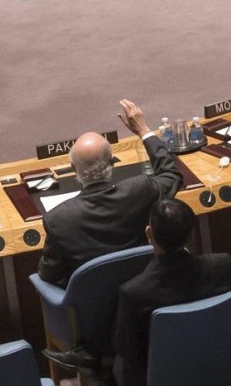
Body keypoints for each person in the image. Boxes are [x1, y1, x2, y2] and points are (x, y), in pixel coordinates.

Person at [37, 99, 183, 286]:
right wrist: (143, 130)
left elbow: (49, 273)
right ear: (112, 162)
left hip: (91, 302)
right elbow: (172, 175)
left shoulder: (58, 219)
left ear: (74, 168)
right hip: (144, 291)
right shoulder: (140, 191)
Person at [112, 199, 231, 386]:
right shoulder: (223, 265)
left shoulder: (133, 292)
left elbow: (126, 349)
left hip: (158, 382)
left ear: (149, 234)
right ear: (191, 234)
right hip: (219, 366)